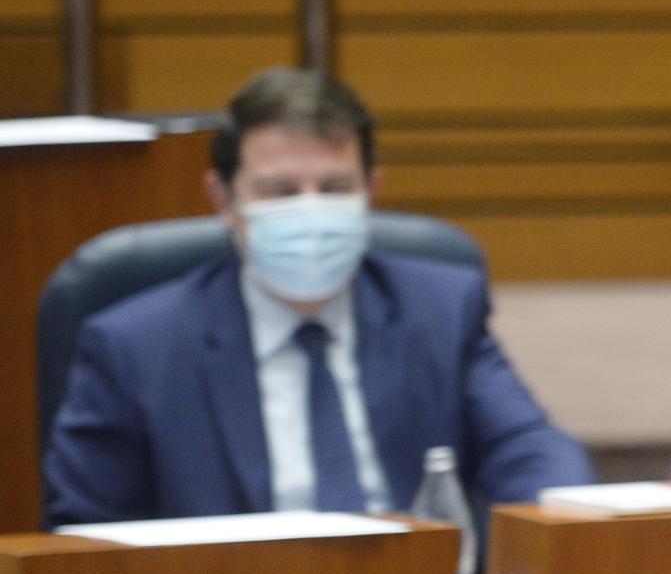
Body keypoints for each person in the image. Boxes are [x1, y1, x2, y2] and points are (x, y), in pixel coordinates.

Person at [44, 67, 596, 527]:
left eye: (334, 189)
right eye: (280, 191)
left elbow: (527, 447)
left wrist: (563, 514)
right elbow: (89, 536)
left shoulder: (441, 308)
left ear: (371, 192)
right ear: (224, 198)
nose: (310, 211)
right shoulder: (135, 346)